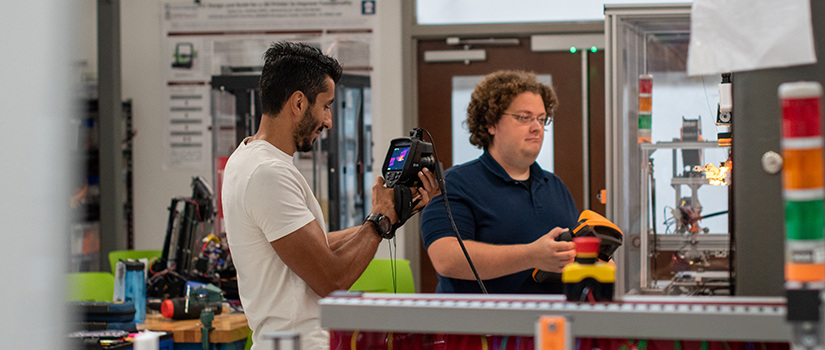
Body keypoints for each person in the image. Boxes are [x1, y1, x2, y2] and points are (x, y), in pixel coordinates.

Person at [221, 42, 439, 350]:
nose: (328, 121)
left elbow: (313, 248)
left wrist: (391, 216)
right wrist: (380, 221)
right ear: (298, 103)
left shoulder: (245, 158)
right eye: (325, 106)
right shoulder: (268, 173)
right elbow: (332, 280)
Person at [420, 70, 578, 294]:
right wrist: (532, 256)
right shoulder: (454, 184)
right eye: (524, 117)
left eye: (541, 119)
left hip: (551, 315)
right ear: (491, 123)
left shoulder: (555, 186)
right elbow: (447, 258)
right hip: (481, 317)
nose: (536, 127)